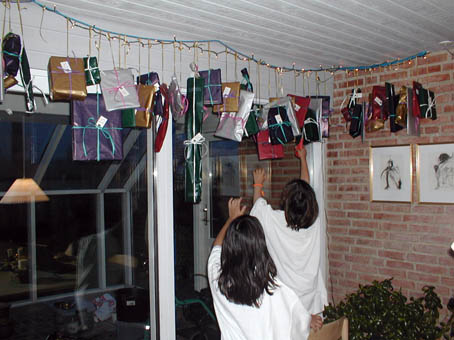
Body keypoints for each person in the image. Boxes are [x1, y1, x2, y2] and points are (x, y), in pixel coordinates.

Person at [208, 198, 311, 340]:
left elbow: (216, 247)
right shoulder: (276, 291)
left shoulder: (219, 282)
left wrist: (231, 219)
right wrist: (309, 320)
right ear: (261, 247)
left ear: (230, 247)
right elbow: (300, 327)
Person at [250, 145, 327, 330]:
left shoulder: (275, 221)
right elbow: (305, 189)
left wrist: (258, 183)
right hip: (310, 300)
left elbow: (257, 205)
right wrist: (302, 159)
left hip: (287, 304)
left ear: (286, 201)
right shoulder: (313, 223)